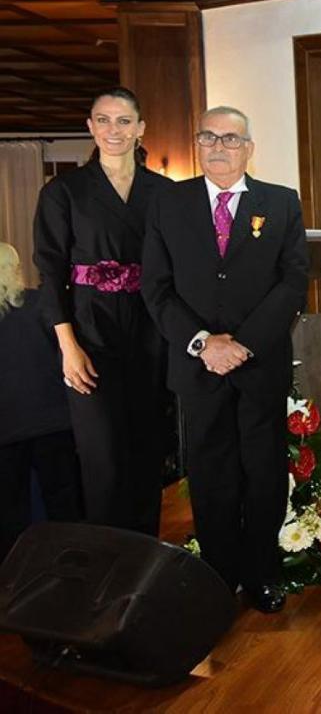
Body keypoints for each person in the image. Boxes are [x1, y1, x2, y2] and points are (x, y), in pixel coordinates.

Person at [141, 106, 308, 613]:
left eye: (231, 138)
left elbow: (293, 281)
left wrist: (243, 344)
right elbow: (156, 286)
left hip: (259, 365)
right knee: (210, 474)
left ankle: (260, 575)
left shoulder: (280, 203)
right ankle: (217, 577)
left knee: (262, 472)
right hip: (197, 367)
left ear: (248, 148)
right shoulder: (168, 202)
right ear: (198, 143)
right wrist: (202, 343)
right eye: (209, 136)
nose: (218, 146)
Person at [32, 86, 172, 537]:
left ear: (140, 129)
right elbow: (50, 272)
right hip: (89, 331)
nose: (114, 130)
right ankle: (108, 572)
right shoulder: (64, 191)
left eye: (124, 121)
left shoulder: (165, 192)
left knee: (148, 452)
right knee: (104, 459)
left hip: (152, 331)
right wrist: (67, 347)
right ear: (90, 127)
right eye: (104, 120)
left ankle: (145, 563)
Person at [0, 243, 83, 563]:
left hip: (6, 428)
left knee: (10, 509)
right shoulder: (40, 305)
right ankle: (75, 564)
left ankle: (15, 573)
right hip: (53, 420)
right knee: (63, 500)